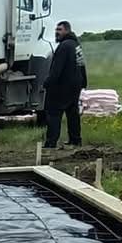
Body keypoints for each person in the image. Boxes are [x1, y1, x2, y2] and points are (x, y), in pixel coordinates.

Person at [43, 21, 84, 150]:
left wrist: (47, 83)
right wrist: (83, 82)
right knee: (72, 113)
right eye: (56, 29)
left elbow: (56, 69)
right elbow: (82, 65)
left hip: (62, 86)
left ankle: (51, 143)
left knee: (53, 113)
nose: (57, 32)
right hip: (75, 85)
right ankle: (75, 140)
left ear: (67, 30)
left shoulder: (64, 46)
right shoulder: (76, 45)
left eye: (60, 29)